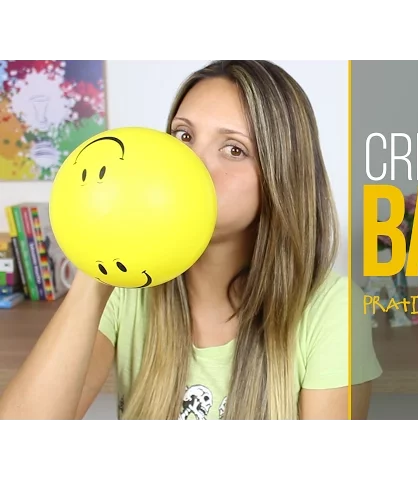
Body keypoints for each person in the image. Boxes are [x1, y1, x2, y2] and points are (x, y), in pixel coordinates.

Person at [0, 60, 382, 420]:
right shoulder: (128, 288)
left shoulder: (333, 310)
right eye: (184, 136)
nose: (191, 165)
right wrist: (97, 261)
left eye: (234, 149)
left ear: (280, 178)